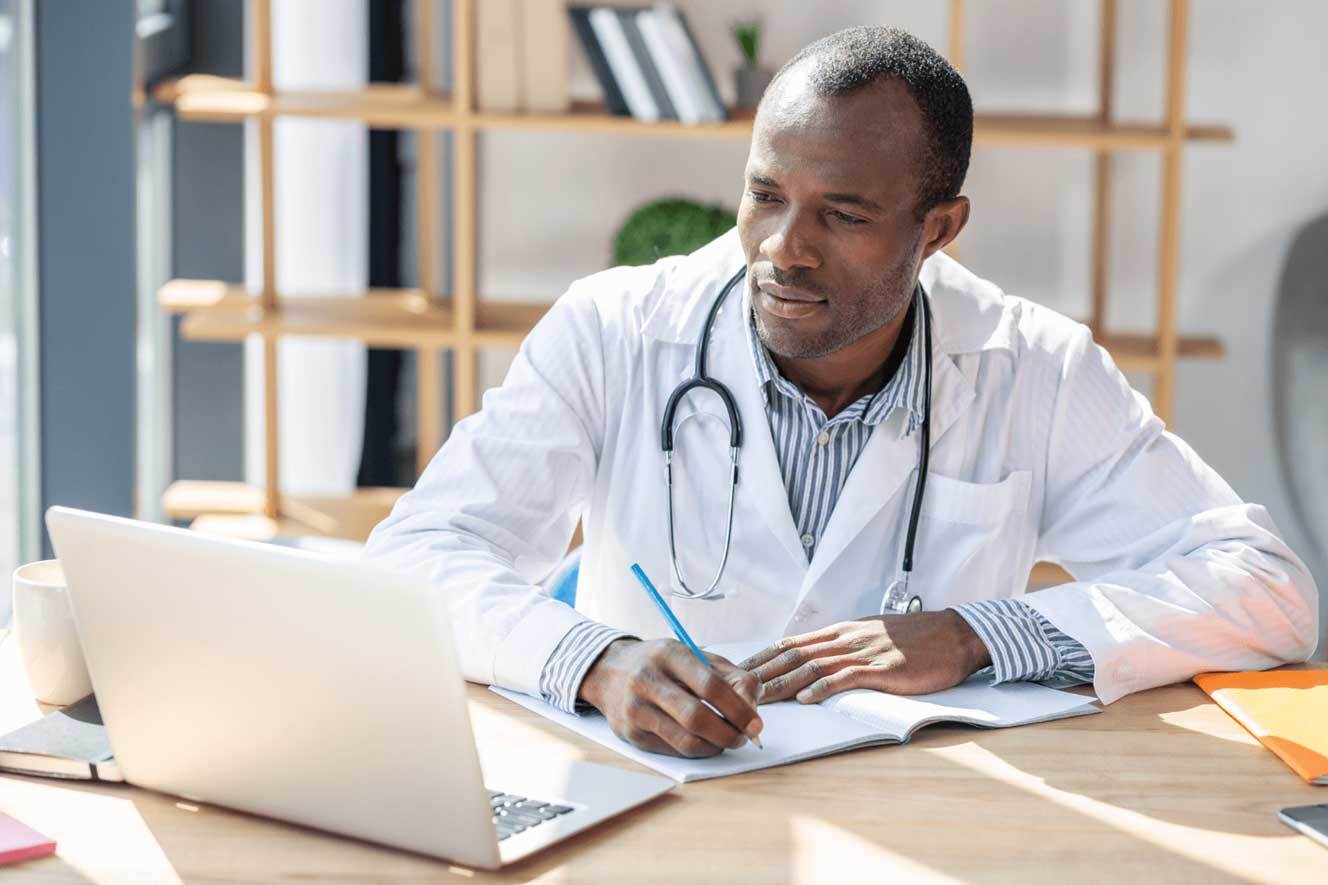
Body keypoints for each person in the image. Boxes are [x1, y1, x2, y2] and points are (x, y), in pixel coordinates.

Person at [364, 27, 1318, 759]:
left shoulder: (1034, 366)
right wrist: (592, 662)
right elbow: (415, 556)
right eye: (766, 194)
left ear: (939, 228)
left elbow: (1268, 589)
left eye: (844, 213)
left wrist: (980, 634)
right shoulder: (615, 329)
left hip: (922, 815)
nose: (785, 248)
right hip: (651, 798)